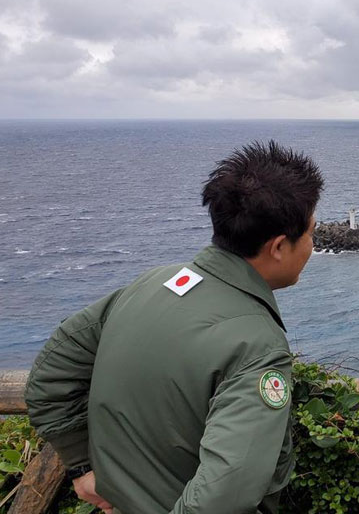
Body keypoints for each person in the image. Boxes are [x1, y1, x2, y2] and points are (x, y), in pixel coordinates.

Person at [25, 141, 323, 514]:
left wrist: (82, 465)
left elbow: (50, 375)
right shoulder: (257, 345)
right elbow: (226, 493)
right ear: (278, 247)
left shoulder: (152, 283)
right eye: (311, 232)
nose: (313, 244)